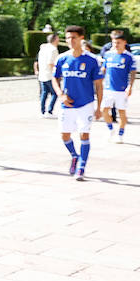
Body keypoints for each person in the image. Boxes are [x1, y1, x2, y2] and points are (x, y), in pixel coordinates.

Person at [52, 25, 103, 181]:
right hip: (67, 104)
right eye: (67, 38)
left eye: (73, 37)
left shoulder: (92, 60)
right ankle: (75, 156)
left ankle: (81, 166)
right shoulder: (62, 58)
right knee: (64, 135)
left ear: (81, 38)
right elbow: (55, 78)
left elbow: (99, 85)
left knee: (84, 134)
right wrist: (60, 95)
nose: (70, 41)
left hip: (85, 104)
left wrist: (99, 107)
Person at [100, 30, 136, 142]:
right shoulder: (108, 54)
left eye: (118, 42)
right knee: (103, 110)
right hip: (108, 88)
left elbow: (133, 73)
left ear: (124, 42)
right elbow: (103, 69)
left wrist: (130, 86)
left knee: (122, 113)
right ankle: (111, 129)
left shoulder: (129, 57)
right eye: (114, 42)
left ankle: (120, 134)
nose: (116, 45)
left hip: (121, 90)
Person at [35, 32, 60, 116]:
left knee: (44, 93)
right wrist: (56, 73)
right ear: (55, 39)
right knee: (55, 93)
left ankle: (42, 111)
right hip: (49, 74)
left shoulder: (43, 48)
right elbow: (50, 63)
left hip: (42, 74)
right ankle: (49, 110)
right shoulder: (53, 49)